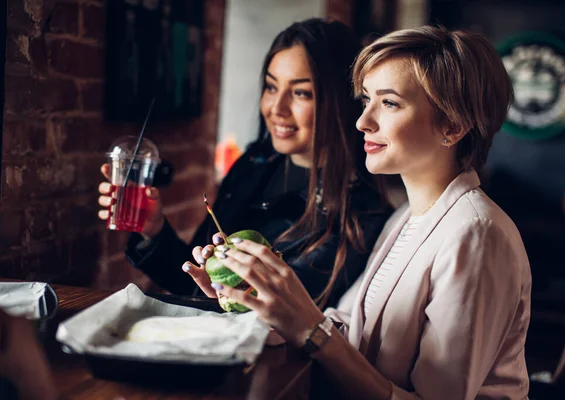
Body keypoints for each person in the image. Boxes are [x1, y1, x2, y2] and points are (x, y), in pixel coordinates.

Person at [186, 25, 531, 399]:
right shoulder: (407, 217)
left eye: (389, 103)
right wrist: (257, 302)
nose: (362, 121)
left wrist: (309, 328)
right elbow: (349, 330)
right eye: (366, 99)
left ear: (453, 125)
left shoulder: (476, 234)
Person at [98, 18, 392, 308]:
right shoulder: (255, 161)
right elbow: (196, 285)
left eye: (301, 93)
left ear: (341, 100)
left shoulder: (359, 211)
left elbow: (286, 318)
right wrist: (154, 230)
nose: (277, 109)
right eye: (271, 87)